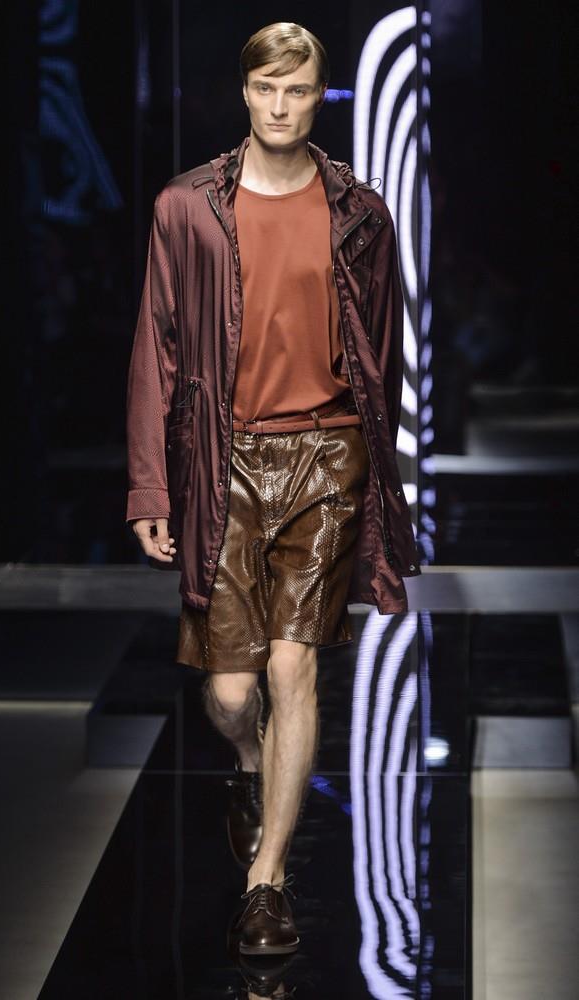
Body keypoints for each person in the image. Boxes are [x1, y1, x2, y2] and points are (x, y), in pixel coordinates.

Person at [126, 21, 419, 956]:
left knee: (295, 666)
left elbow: (383, 348)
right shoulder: (187, 208)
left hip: (329, 457)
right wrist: (150, 488)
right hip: (224, 461)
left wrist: (380, 471)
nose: (281, 106)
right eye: (266, 89)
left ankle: (267, 880)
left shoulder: (361, 213)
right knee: (228, 691)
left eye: (298, 90)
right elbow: (156, 347)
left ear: (319, 96)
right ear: (245, 92)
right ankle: (251, 762)